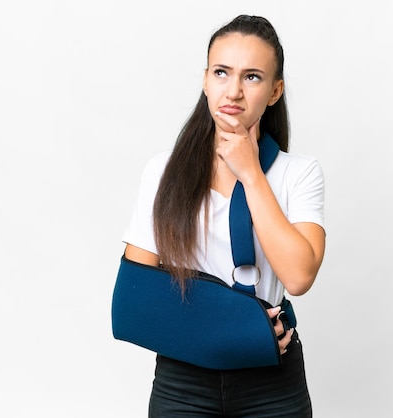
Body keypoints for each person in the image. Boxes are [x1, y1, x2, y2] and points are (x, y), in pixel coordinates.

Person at [121, 14, 325, 417]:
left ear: (274, 91)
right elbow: (136, 299)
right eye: (221, 72)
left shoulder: (298, 174)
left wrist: (251, 173)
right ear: (205, 80)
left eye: (252, 77)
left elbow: (299, 277)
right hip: (184, 381)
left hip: (271, 382)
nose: (233, 91)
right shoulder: (164, 172)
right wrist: (237, 328)